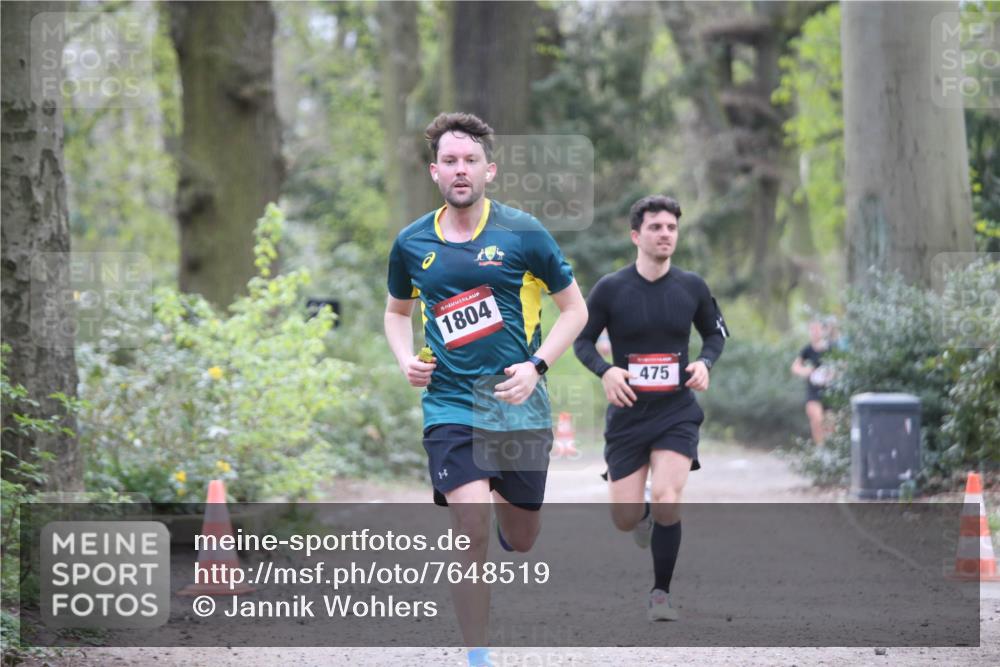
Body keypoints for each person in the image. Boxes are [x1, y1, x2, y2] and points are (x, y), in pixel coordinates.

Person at [384, 112, 587, 666]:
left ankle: (508, 518)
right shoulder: (411, 243)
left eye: (470, 160)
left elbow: (575, 308)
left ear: (489, 170)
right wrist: (406, 359)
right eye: (449, 160)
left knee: (520, 537)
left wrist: (537, 367)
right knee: (469, 521)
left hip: (516, 403)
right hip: (450, 402)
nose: (460, 170)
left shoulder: (523, 233)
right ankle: (477, 654)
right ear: (434, 171)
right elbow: (396, 313)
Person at [573, 195, 728, 622]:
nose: (665, 235)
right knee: (625, 518)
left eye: (671, 228)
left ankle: (661, 594)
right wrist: (606, 372)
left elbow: (716, 334)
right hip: (627, 415)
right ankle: (640, 517)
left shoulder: (692, 287)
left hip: (676, 411)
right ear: (636, 235)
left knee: (666, 497)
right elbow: (581, 340)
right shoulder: (611, 288)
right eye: (656, 227)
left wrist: (704, 362)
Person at [791, 319, 830, 445]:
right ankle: (820, 450)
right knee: (817, 419)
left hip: (830, 393)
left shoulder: (831, 348)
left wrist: (832, 374)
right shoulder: (807, 350)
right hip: (813, 392)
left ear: (824, 331)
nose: (814, 333)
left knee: (830, 425)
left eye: (817, 329)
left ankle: (830, 451)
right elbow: (795, 367)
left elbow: (843, 366)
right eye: (812, 330)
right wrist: (805, 371)